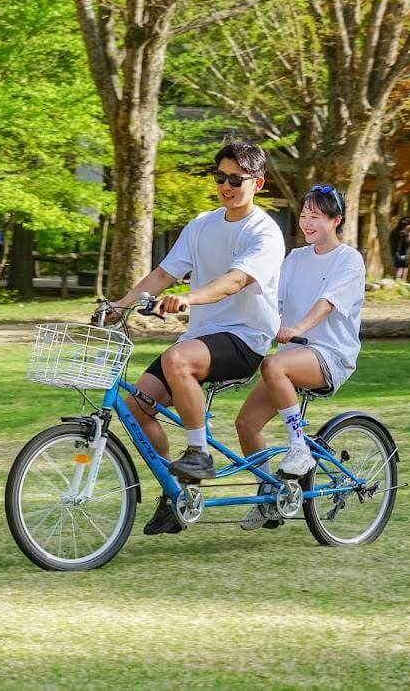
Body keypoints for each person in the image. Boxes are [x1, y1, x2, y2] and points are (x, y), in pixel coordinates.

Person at [112, 140, 284, 535]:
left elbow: (235, 281)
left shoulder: (265, 233)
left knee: (177, 360)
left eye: (235, 179)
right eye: (219, 177)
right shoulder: (202, 225)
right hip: (202, 337)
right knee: (136, 409)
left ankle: (199, 454)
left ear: (257, 183)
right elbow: (162, 275)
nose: (226, 186)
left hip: (246, 339)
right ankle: (178, 493)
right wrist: (119, 305)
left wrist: (188, 298)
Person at [234, 185, 365, 530]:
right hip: (292, 358)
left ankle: (298, 448)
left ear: (335, 220)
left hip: (330, 356)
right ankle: (271, 496)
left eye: (317, 217)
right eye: (305, 215)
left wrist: (296, 328)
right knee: (245, 424)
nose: (308, 223)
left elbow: (327, 303)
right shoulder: (294, 258)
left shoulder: (349, 259)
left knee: (274, 364)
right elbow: (273, 302)